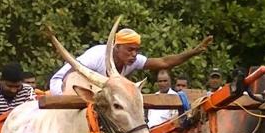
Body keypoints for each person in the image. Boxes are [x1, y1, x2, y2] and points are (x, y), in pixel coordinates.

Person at [50, 28, 213, 95]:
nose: (134, 54)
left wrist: (194, 51)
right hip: (63, 88)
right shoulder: (95, 57)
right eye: (130, 49)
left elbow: (164, 62)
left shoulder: (131, 60)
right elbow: (69, 78)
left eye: (137, 50)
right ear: (116, 48)